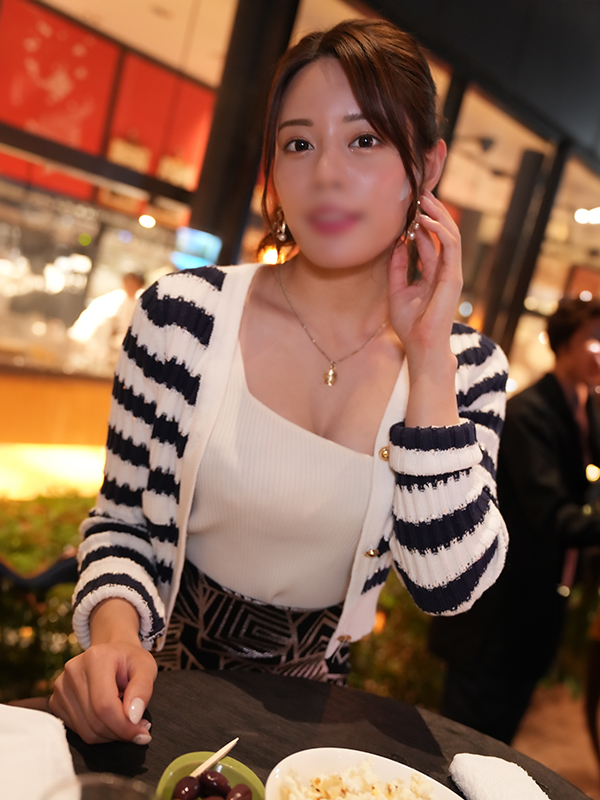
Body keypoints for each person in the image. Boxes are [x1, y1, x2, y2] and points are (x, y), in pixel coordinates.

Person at [49, 19, 509, 746]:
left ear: (427, 166)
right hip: (153, 694)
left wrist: (428, 359)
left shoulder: (467, 368)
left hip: (317, 726)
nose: (325, 174)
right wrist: (112, 639)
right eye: (299, 143)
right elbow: (123, 522)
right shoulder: (182, 317)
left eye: (364, 139)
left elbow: (447, 586)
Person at [429, 296, 600, 744]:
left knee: (500, 743)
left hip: (537, 612)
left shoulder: (587, 409)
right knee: (465, 742)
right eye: (595, 340)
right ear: (565, 343)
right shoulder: (529, 414)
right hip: (497, 616)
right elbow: (555, 517)